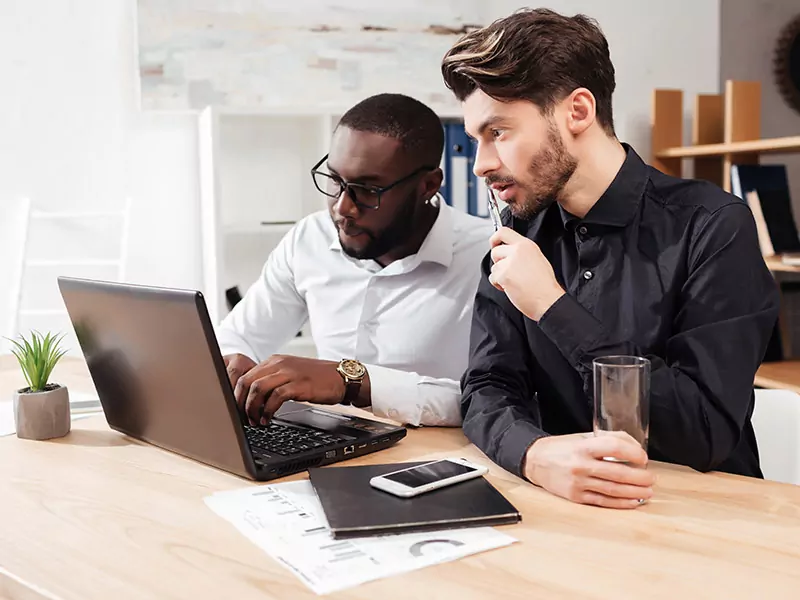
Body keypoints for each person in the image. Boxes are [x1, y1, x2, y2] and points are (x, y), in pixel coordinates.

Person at [441, 9, 780, 508]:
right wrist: (533, 454)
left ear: (577, 111)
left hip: (702, 518)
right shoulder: (517, 234)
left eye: (499, 133)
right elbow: (486, 388)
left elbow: (704, 432)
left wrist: (554, 308)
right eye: (476, 141)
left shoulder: (713, 225)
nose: (482, 165)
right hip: (565, 513)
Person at [216, 93, 494, 428]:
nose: (341, 208)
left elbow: (495, 401)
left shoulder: (490, 256)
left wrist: (354, 382)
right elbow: (239, 337)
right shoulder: (310, 238)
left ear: (428, 186)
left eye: (367, 190)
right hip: (329, 444)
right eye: (334, 181)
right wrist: (236, 363)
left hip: (437, 460)